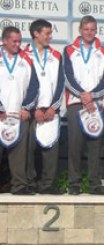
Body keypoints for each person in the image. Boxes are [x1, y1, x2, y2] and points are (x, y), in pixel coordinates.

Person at [64, 15, 104, 195]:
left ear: (96, 30)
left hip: (96, 104)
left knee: (94, 145)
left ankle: (94, 183)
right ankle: (74, 184)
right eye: (86, 29)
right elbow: (67, 77)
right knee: (74, 145)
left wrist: (91, 96)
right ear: (80, 30)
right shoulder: (69, 50)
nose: (89, 33)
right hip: (75, 103)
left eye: (93, 29)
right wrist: (83, 96)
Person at [24, 19, 64, 194]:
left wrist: (53, 108)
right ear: (36, 34)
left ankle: (47, 184)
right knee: (27, 150)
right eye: (47, 33)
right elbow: (22, 85)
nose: (50, 36)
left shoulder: (56, 55)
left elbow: (61, 84)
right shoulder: (23, 55)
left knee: (51, 150)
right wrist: (33, 109)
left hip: (50, 111)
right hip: (31, 111)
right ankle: (29, 183)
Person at [0, 26, 39, 194]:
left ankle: (19, 186)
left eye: (19, 41)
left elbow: (34, 87)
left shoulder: (27, 59)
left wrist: (26, 108)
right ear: (4, 41)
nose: (18, 44)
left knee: (19, 153)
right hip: (0, 114)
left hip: (18, 114)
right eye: (14, 41)